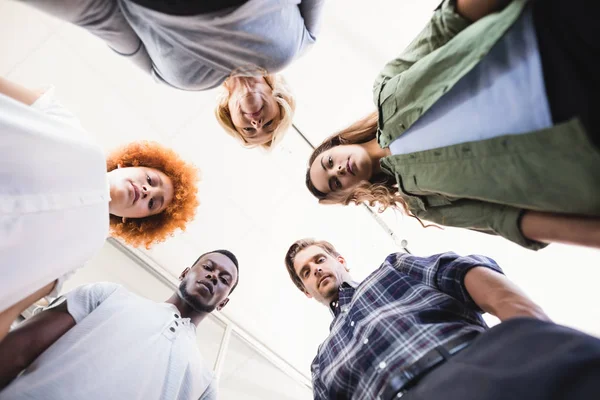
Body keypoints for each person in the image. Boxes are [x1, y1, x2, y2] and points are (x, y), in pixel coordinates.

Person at [305, 0, 600, 250]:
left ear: (339, 144)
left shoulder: (385, 91)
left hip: (553, 33)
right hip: (581, 145)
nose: (338, 171)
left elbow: (449, 25)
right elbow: (505, 219)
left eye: (329, 162)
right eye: (334, 183)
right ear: (348, 194)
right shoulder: (423, 203)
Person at [0, 77, 200, 340]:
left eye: (153, 203)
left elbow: (13, 305)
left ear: (136, 220)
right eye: (151, 180)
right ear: (130, 162)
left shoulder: (87, 244)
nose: (147, 191)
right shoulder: (70, 130)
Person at [284, 238, 600, 399]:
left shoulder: (393, 268)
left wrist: (532, 333)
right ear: (306, 292)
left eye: (320, 260)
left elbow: (461, 272)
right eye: (306, 273)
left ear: (339, 260)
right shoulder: (321, 363)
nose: (317, 271)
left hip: (482, 367)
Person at [19, 0, 324, 148]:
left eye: (249, 130)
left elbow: (103, 18)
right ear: (278, 99)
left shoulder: (181, 79)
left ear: (229, 114)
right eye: (269, 123)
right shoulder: (298, 46)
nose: (257, 122)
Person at [0, 249, 239, 399]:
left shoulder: (205, 384)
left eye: (224, 279)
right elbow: (20, 349)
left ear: (223, 303)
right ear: (185, 273)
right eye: (208, 267)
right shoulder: (108, 295)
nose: (213, 276)